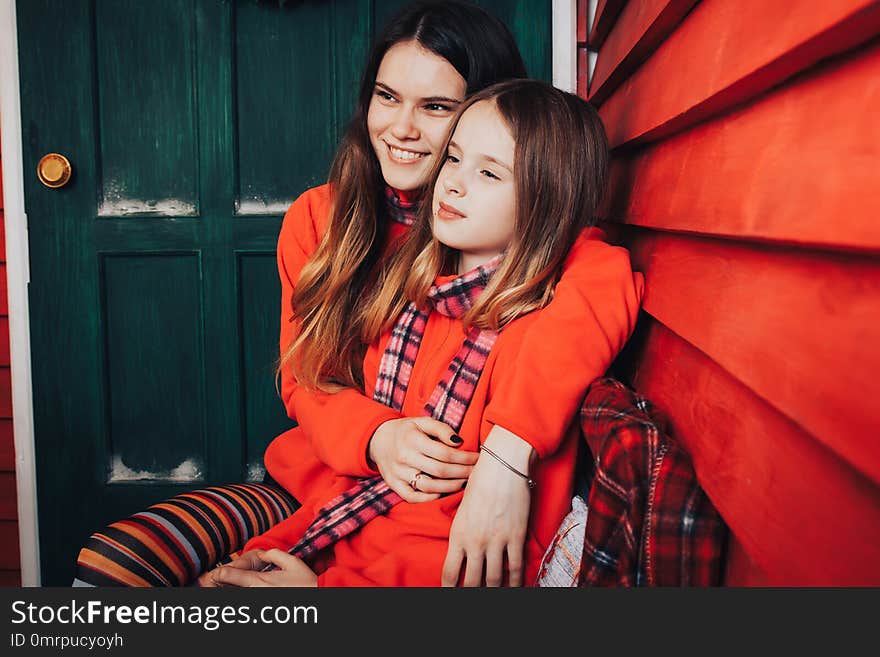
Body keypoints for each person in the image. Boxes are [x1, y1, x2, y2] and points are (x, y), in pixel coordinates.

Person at [208, 78, 643, 587]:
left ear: (546, 201)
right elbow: (361, 487)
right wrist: (273, 551)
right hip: (326, 523)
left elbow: (461, 552)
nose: (453, 183)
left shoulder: (537, 327)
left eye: (488, 172)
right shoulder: (414, 297)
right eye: (453, 159)